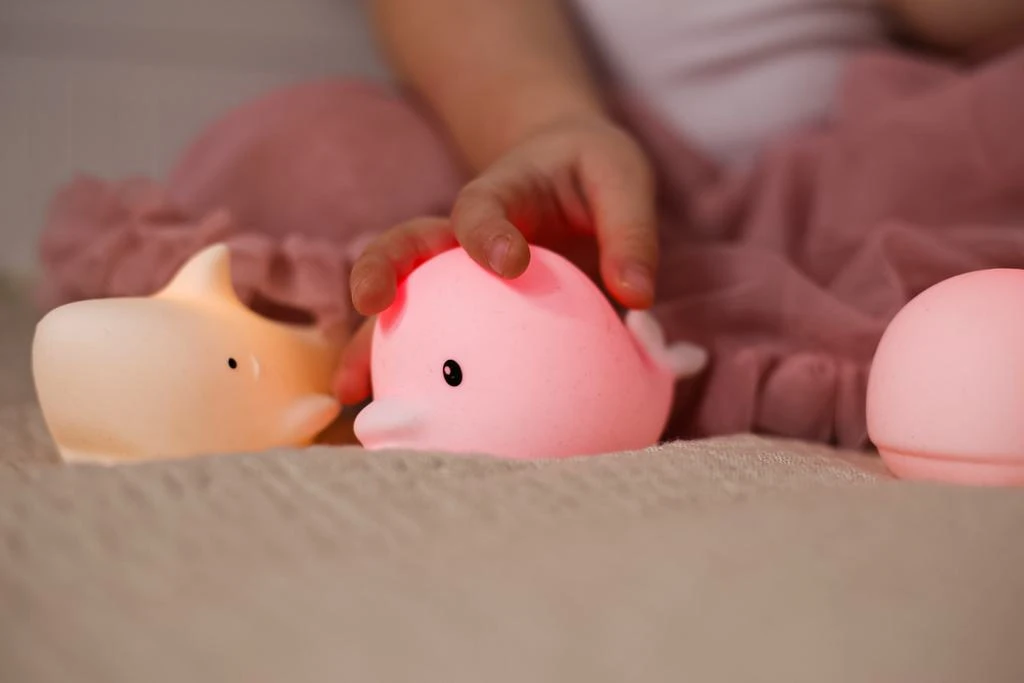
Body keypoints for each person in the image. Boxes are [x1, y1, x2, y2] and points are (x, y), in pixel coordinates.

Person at [334, 0, 1024, 407]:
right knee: (334, 145)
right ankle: (516, 318)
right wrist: (547, 124)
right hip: (572, 155)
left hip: (857, 170)